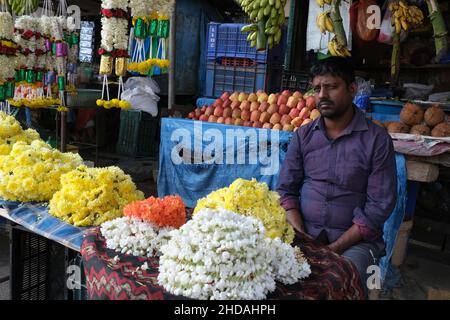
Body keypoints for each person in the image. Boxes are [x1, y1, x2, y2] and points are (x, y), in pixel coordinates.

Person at [277, 57, 397, 295]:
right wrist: (302, 238)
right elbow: (286, 191)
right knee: (267, 274)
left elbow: (378, 207)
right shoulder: (303, 136)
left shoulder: (376, 140)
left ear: (352, 89)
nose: (322, 95)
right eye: (317, 88)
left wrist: (333, 248)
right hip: (303, 233)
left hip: (356, 243)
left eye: (331, 87)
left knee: (336, 280)